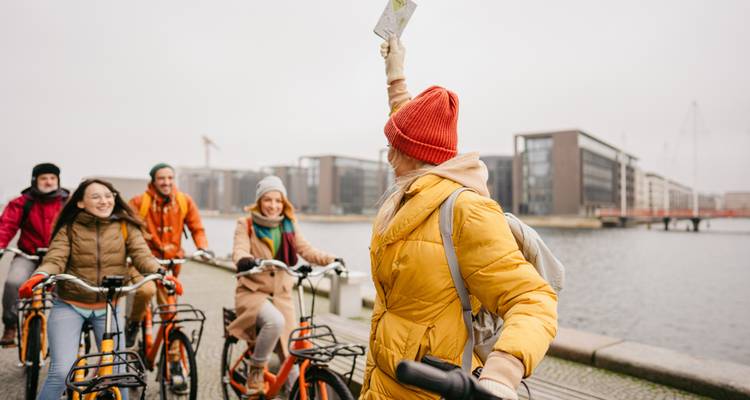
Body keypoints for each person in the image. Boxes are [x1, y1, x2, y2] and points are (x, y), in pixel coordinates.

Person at [358, 37, 558, 400]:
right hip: (381, 383)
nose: (388, 157)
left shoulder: (466, 210)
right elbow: (406, 125)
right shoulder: (412, 188)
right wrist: (394, 74)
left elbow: (533, 299)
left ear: (415, 155)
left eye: (394, 149)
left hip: (429, 391)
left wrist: (502, 374)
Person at [17, 179, 175, 400]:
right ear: (81, 203)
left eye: (108, 196)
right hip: (70, 305)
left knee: (118, 373)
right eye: (96, 197)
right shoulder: (69, 227)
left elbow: (142, 255)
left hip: (108, 308)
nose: (104, 201)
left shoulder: (125, 226)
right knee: (61, 372)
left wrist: (161, 272)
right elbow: (55, 259)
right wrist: (40, 275)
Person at [227, 175, 344, 396]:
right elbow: (240, 249)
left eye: (278, 200)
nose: (273, 205)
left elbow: (306, 250)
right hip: (253, 292)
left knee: (292, 352)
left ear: (284, 203)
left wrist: (331, 260)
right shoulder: (246, 224)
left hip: (282, 294)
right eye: (268, 200)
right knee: (275, 321)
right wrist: (244, 260)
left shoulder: (288, 224)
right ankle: (256, 369)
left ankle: (294, 393)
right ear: (259, 201)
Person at [126, 163, 209, 347]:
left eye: (170, 178)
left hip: (170, 264)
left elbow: (197, 228)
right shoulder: (139, 202)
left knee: (170, 312)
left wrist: (202, 248)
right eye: (161, 178)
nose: (166, 182)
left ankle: (174, 358)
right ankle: (133, 323)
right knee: (146, 291)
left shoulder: (184, 201)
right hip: (143, 262)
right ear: (153, 181)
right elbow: (127, 231)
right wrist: (127, 253)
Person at [0, 163, 68, 345]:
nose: (49, 182)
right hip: (27, 255)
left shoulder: (67, 202)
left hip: (58, 257)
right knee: (13, 282)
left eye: (52, 178)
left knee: (66, 289)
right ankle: (10, 325)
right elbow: (6, 226)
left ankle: (66, 330)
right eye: (44, 178)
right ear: (34, 181)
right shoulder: (22, 202)